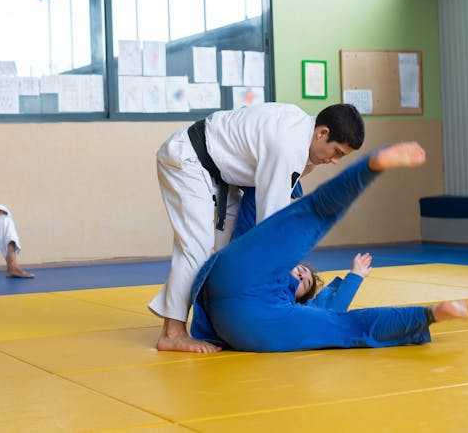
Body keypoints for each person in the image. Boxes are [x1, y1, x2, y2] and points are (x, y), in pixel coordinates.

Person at [189, 142, 468, 353]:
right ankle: (370, 167)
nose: (300, 276)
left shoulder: (294, 309)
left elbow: (334, 312)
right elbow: (260, 207)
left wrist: (356, 278)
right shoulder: (262, 260)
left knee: (346, 328)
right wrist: (291, 184)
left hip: (258, 320)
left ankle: (428, 316)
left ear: (301, 299)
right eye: (302, 272)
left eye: (304, 282)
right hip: (239, 274)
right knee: (310, 213)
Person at [149, 102, 365, 352]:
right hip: (189, 161)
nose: (336, 161)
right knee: (196, 247)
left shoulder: (298, 126)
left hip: (220, 173)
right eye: (337, 152)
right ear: (322, 133)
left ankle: (212, 317)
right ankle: (172, 333)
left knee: (227, 252)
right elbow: (270, 224)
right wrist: (281, 267)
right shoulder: (288, 145)